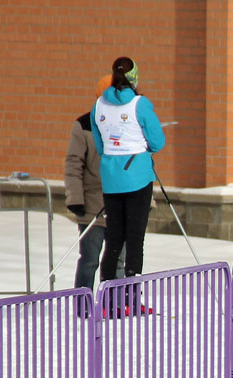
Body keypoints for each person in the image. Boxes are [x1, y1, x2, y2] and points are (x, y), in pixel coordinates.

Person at [91, 56, 165, 291]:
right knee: (134, 238)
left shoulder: (98, 105)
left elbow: (100, 146)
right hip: (137, 177)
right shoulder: (139, 104)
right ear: (134, 78)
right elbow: (158, 141)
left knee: (114, 238)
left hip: (111, 179)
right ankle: (131, 295)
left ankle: (106, 295)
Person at [64, 75, 124, 290]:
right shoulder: (84, 125)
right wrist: (75, 198)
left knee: (119, 262)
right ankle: (84, 302)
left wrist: (146, 201)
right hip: (91, 206)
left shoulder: (129, 123)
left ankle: (117, 302)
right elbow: (73, 164)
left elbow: (140, 164)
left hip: (122, 205)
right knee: (89, 260)